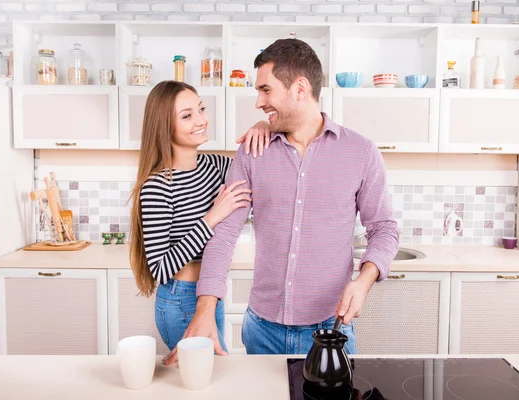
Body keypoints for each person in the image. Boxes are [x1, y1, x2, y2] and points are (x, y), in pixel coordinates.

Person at [163, 38, 400, 364]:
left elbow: (384, 228)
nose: (259, 102)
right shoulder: (253, 151)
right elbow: (225, 234)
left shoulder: (360, 152)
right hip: (262, 330)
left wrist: (364, 280)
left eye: (266, 90)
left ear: (300, 88)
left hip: (329, 332)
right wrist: (205, 309)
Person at [129, 80, 270, 354]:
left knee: (208, 376)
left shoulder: (215, 165)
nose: (201, 120)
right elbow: (161, 268)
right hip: (179, 300)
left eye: (201, 109)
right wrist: (212, 217)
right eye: (187, 115)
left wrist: (263, 126)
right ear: (163, 126)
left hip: (210, 294)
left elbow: (256, 165)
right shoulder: (157, 186)